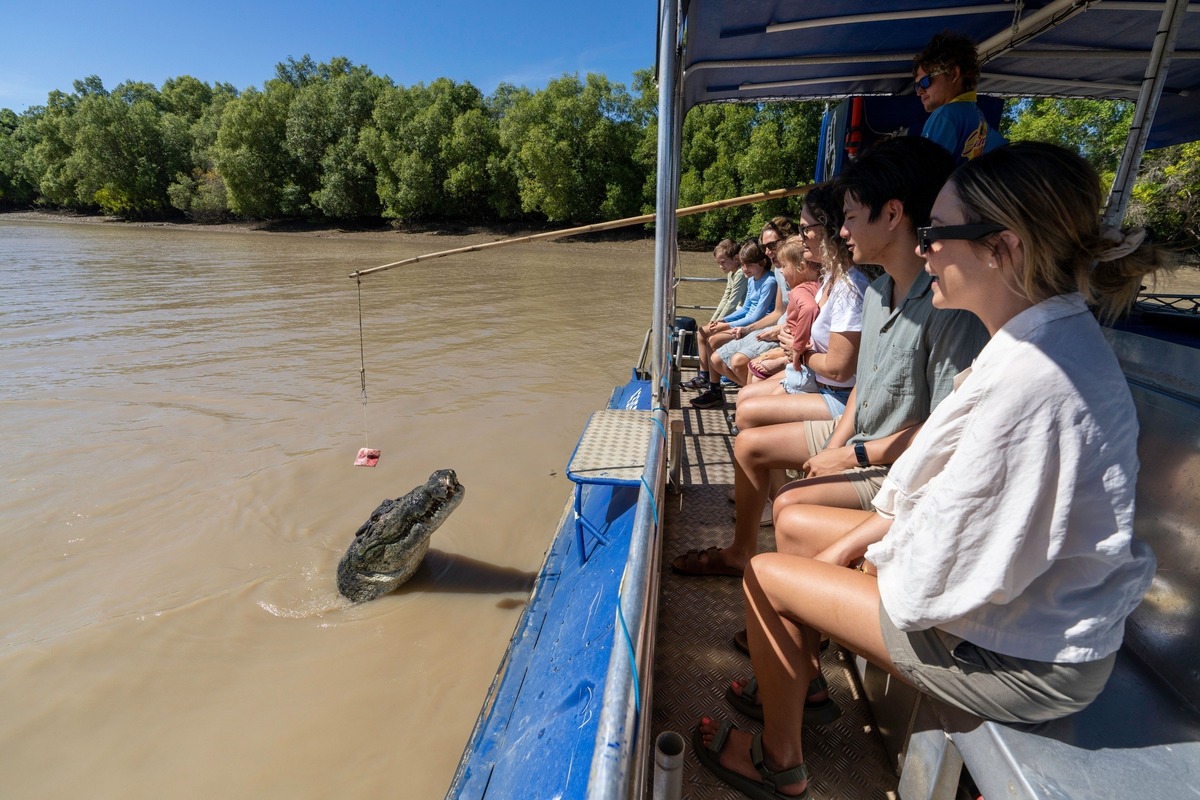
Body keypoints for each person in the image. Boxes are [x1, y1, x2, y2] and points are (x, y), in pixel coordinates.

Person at [693, 140, 1165, 800]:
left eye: (939, 233)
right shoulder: (1040, 342)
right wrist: (865, 540)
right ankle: (800, 697)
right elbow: (953, 500)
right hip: (1034, 625)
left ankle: (780, 761)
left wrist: (869, 557)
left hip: (1027, 660)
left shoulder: (1034, 380)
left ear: (1000, 248)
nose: (924, 248)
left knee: (771, 576)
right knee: (813, 543)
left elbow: (942, 573)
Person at [671, 136, 988, 577]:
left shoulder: (949, 309)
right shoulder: (879, 293)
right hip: (860, 436)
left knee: (790, 503)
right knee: (750, 444)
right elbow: (865, 384)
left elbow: (943, 433)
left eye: (852, 217)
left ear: (893, 214)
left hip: (896, 463)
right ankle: (744, 554)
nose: (842, 230)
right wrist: (835, 447)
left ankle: (801, 597)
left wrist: (849, 457)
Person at [735, 182, 869, 429]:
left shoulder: (851, 287)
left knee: (748, 417)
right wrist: (788, 334)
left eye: (805, 228)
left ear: (829, 228)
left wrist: (797, 351)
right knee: (744, 398)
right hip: (816, 379)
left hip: (837, 394)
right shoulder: (831, 276)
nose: (799, 236)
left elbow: (839, 370)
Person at [707, 217, 796, 391]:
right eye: (764, 247)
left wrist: (773, 330)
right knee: (716, 358)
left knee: (738, 361)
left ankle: (750, 397)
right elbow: (778, 312)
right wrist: (744, 328)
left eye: (772, 245)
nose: (768, 252)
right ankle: (743, 394)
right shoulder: (778, 270)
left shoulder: (796, 270)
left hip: (785, 332)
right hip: (772, 328)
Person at [692, 240, 778, 409]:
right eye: (743, 265)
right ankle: (715, 389)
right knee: (710, 338)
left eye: (748, 266)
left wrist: (727, 326)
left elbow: (757, 315)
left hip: (760, 326)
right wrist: (724, 320)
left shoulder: (770, 282)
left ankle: (741, 390)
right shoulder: (753, 279)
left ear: (761, 263)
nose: (744, 269)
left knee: (713, 341)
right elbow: (746, 308)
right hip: (749, 322)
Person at [913, 31, 1006, 164]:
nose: (919, 91)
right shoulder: (975, 115)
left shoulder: (945, 114)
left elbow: (923, 175)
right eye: (917, 86)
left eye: (924, 82)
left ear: (953, 73)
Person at [683, 239, 747, 390]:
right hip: (734, 315)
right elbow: (726, 296)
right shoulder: (732, 274)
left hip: (741, 316)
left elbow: (733, 302)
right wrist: (714, 319)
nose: (720, 266)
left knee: (706, 334)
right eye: (718, 263)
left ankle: (706, 377)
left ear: (735, 259)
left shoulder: (740, 275)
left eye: (723, 262)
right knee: (702, 332)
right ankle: (704, 374)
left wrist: (719, 322)